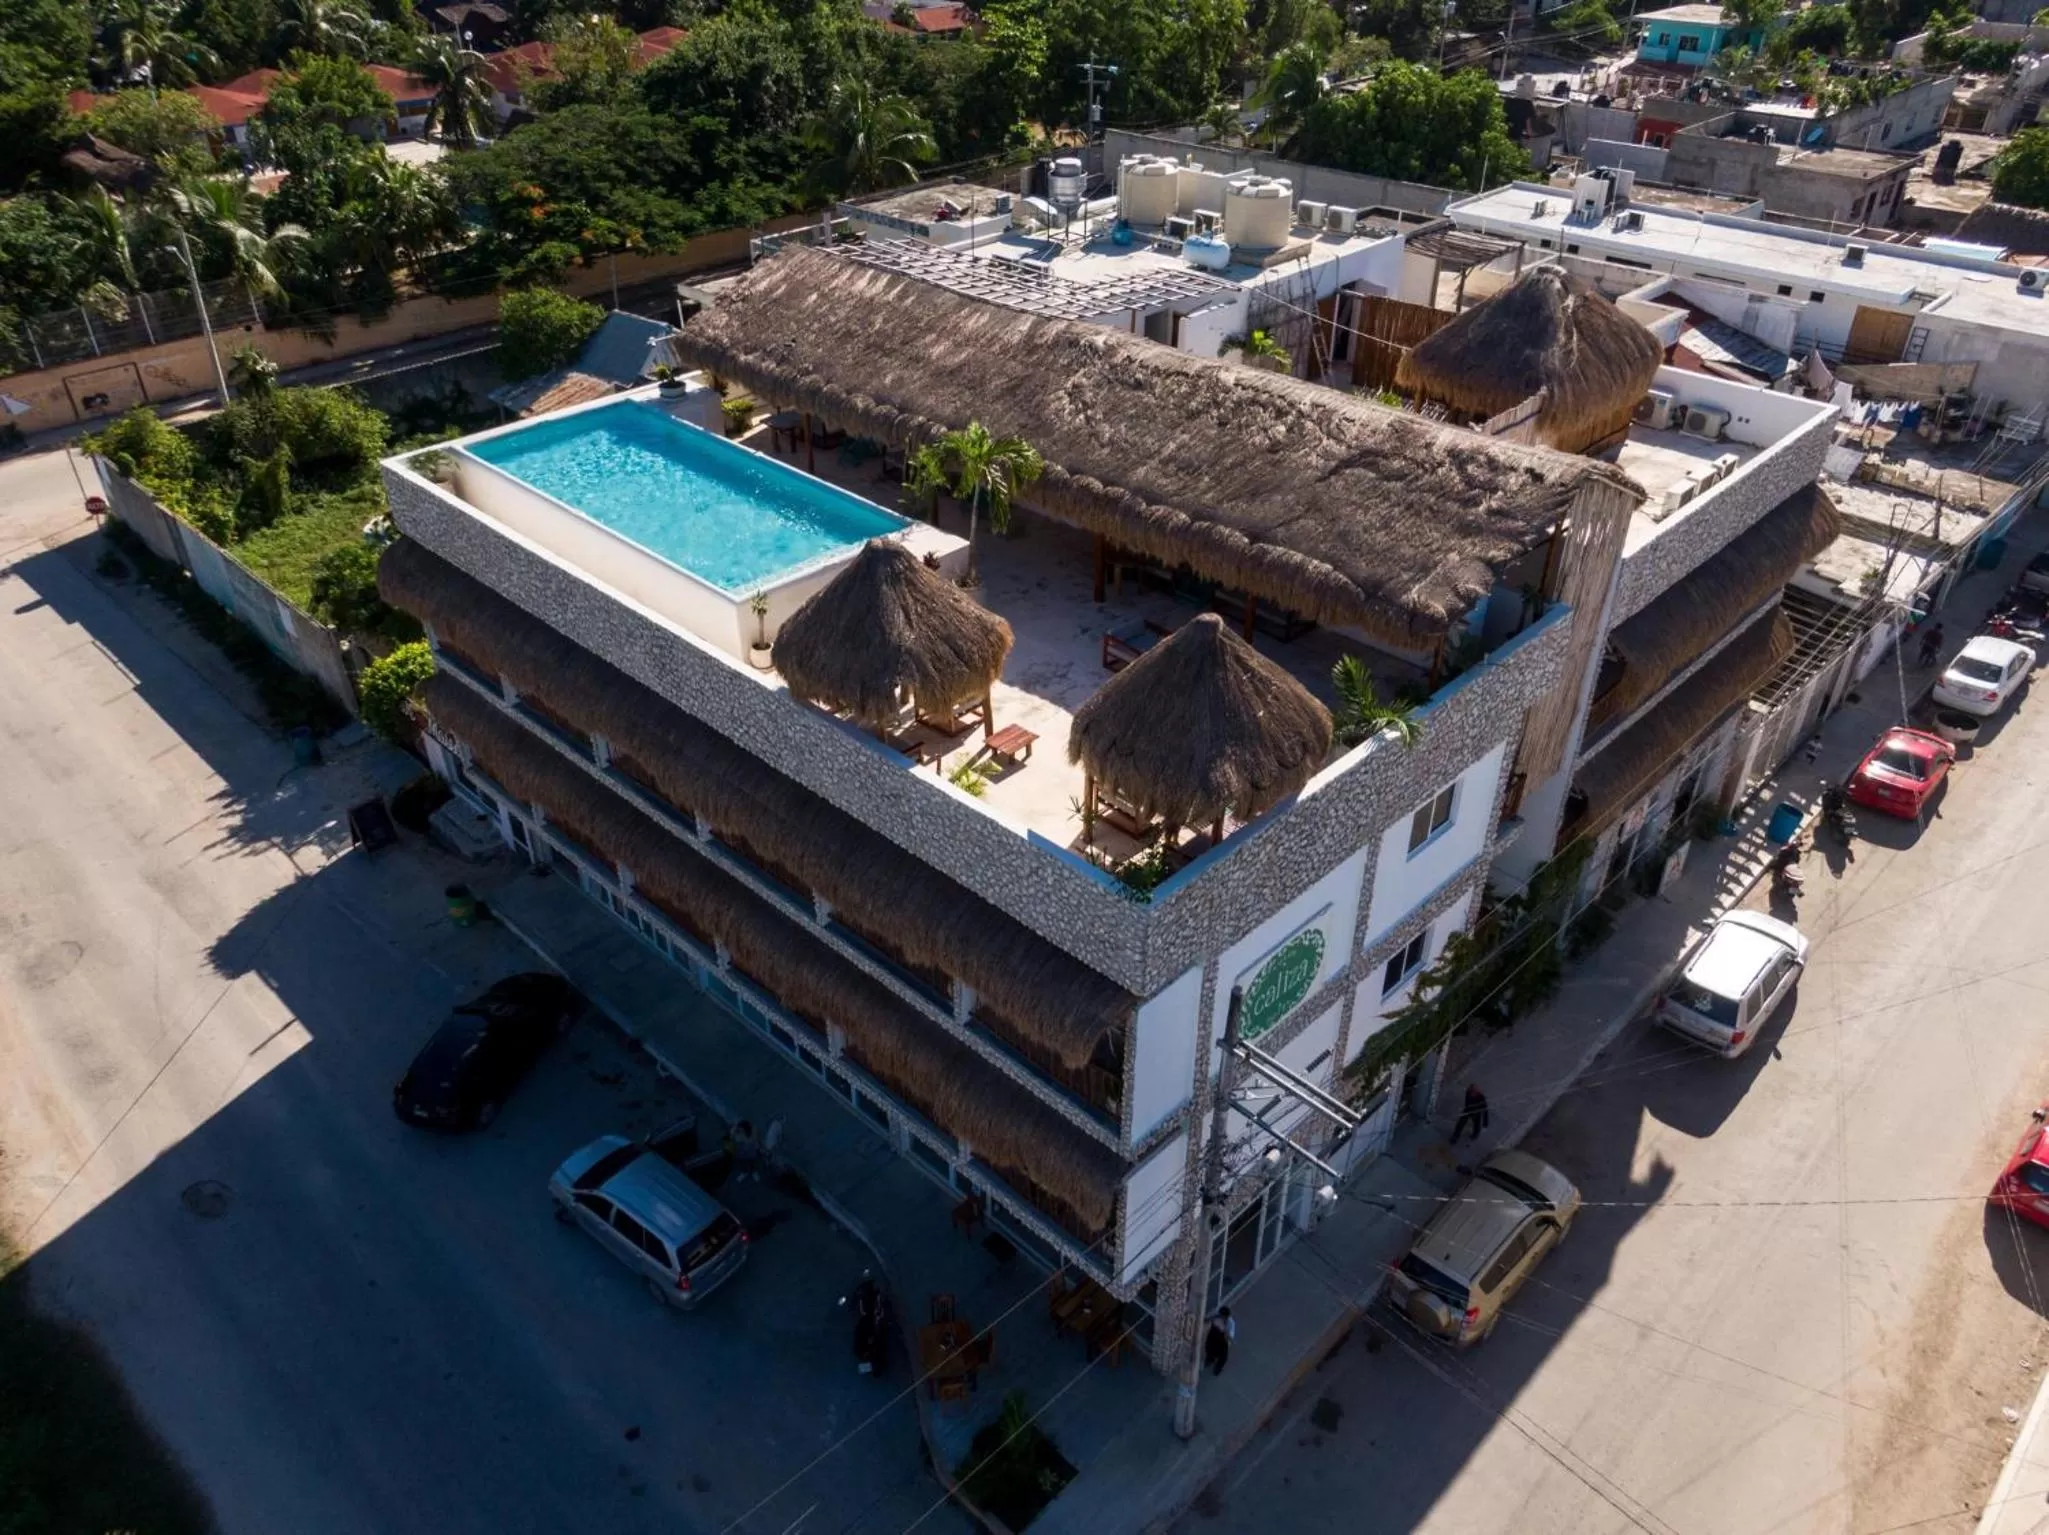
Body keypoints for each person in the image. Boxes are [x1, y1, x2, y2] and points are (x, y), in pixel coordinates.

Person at [1204, 1307, 1236, 1377]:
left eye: (1223, 1317)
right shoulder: (1216, 1315)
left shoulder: (1230, 1324)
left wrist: (1223, 1330)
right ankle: (1210, 1359)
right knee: (1209, 1349)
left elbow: (1230, 1338)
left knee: (1223, 1357)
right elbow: (1207, 1319)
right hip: (1213, 1336)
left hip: (1223, 1341)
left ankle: (1217, 1369)